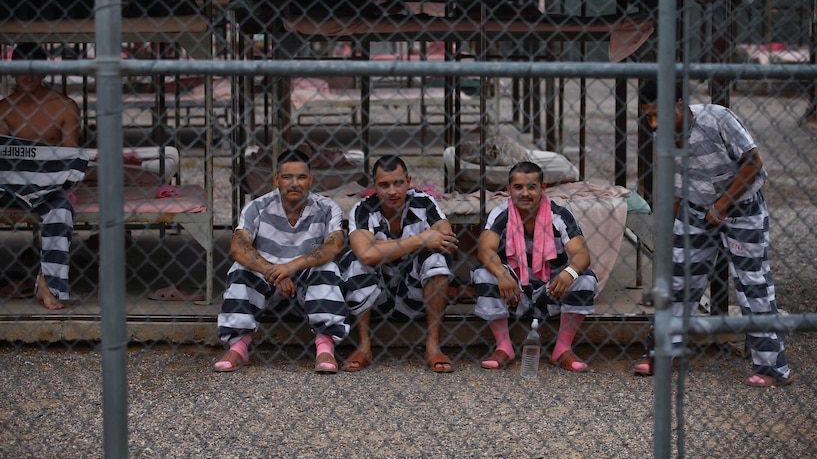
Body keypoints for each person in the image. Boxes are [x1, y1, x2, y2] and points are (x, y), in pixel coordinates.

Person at [634, 80, 795, 387]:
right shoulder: (662, 136)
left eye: (658, 115)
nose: (654, 124)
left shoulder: (717, 118)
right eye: (649, 118)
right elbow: (676, 186)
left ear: (679, 104)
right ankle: (663, 353)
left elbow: (753, 164)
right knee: (677, 277)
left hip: (741, 209)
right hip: (696, 211)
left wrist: (721, 206)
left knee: (752, 284)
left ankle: (772, 368)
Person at [213, 149, 349, 374]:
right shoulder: (257, 207)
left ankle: (325, 348)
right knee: (239, 269)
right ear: (276, 178)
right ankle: (238, 347)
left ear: (311, 179)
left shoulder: (327, 208)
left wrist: (290, 267)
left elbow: (333, 246)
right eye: (287, 177)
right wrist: (273, 272)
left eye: (301, 177)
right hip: (268, 283)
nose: (294, 183)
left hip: (306, 282)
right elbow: (238, 246)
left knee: (328, 267)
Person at [0, 42, 81, 310]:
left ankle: (48, 283)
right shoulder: (1, 109)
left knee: (61, 211)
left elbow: (69, 160)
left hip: (46, 187)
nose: (27, 76)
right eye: (21, 70)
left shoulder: (65, 107)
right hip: (4, 186)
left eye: (33, 70)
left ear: (43, 71)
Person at [473, 161, 598, 372]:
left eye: (532, 187)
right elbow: (485, 250)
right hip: (513, 292)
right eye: (519, 187)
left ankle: (562, 350)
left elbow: (582, 254)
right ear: (509, 189)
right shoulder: (499, 215)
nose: (525, 193)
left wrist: (568, 273)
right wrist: (502, 274)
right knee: (484, 274)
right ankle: (504, 347)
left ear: (543, 188)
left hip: (551, 291)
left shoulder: (558, 215)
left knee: (585, 279)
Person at [341, 155, 459, 373]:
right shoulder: (363, 209)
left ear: (408, 181)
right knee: (357, 263)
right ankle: (364, 346)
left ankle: (433, 346)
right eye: (384, 185)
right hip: (375, 298)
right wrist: (421, 240)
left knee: (435, 260)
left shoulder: (423, 202)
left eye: (398, 183)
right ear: (374, 186)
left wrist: (384, 249)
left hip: (414, 293)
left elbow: (446, 239)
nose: (392, 191)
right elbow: (365, 255)